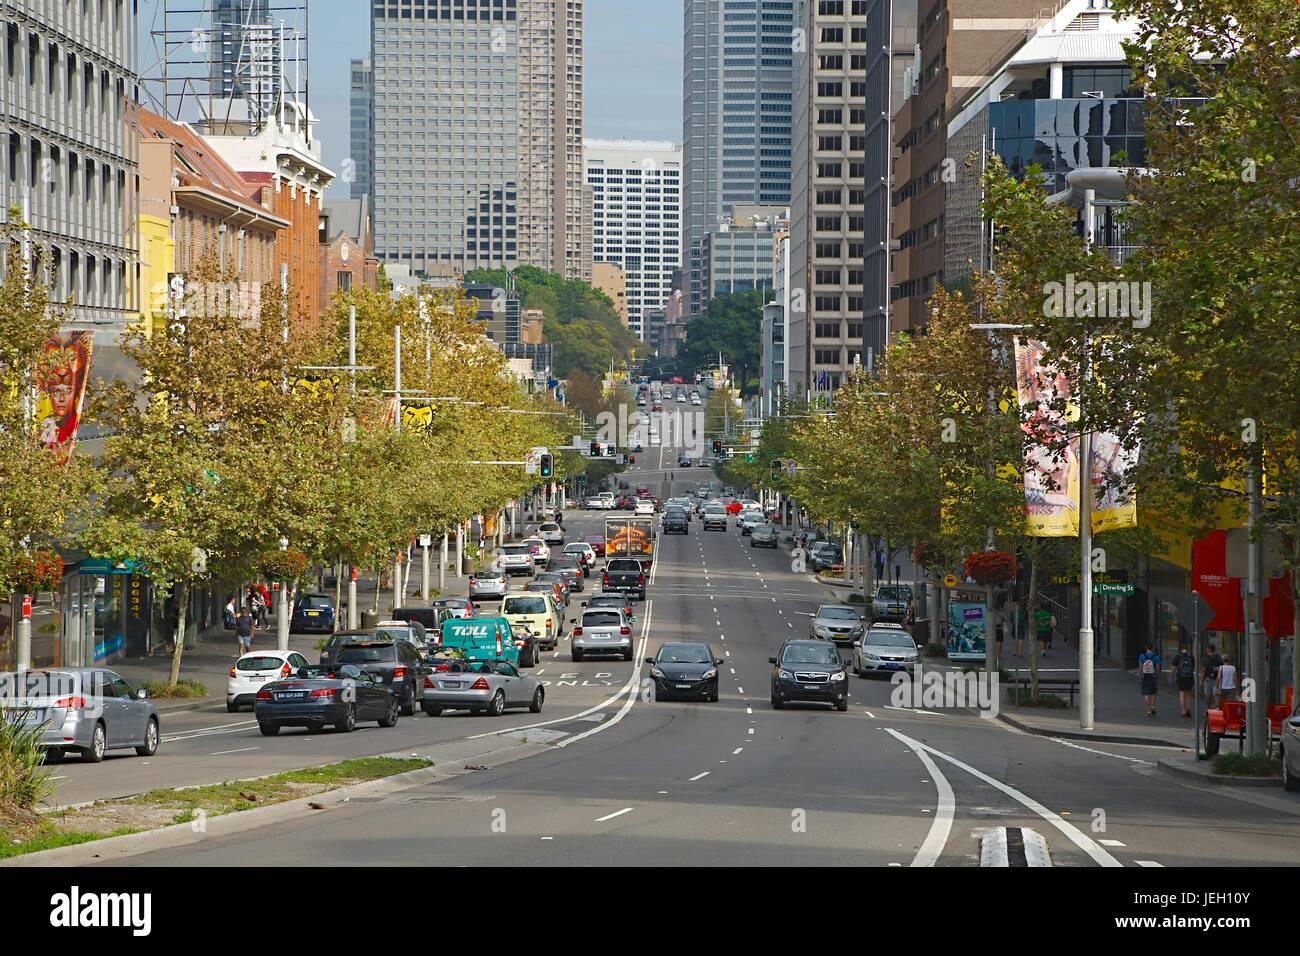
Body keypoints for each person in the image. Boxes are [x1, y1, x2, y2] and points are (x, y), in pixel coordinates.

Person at [1172, 642, 1196, 718]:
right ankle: (1188, 707)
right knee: (1188, 693)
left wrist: (1171, 676)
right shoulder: (1191, 657)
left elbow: (1174, 668)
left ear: (1181, 649)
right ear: (1187, 649)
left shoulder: (1178, 657)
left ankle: (1183, 711)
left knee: (1182, 694)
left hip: (1181, 677)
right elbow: (1192, 667)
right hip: (1189, 677)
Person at [1138, 642, 1161, 716]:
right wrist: (1157, 676)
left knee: (1146, 693)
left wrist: (1140, 675)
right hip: (1152, 676)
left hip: (1145, 676)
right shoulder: (1156, 657)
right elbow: (1157, 669)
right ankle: (1153, 707)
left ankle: (1148, 710)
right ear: (1152, 648)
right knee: (1153, 692)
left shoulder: (1142, 656)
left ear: (1146, 647)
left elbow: (1140, 668)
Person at [1201, 642, 1222, 708]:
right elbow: (1221, 668)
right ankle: (1217, 707)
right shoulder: (1218, 657)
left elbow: (1203, 670)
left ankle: (1208, 708)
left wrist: (1201, 680)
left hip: (1208, 678)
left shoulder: (1205, 658)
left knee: (1207, 694)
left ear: (1207, 649)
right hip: (1217, 678)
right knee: (1216, 694)